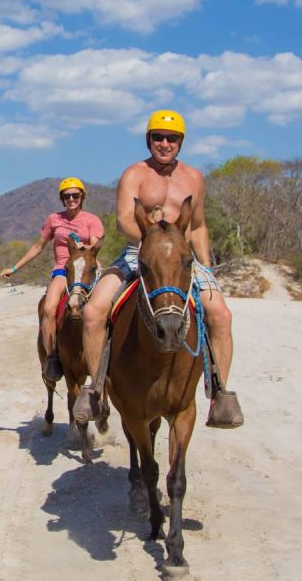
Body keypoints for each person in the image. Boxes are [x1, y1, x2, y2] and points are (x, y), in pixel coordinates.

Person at [71, 110, 244, 428]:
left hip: (182, 259)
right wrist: (153, 245)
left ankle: (221, 395)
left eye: (172, 138)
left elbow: (200, 225)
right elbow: (125, 219)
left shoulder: (193, 178)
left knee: (220, 314)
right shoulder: (134, 174)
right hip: (139, 254)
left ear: (181, 142)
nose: (165, 144)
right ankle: (95, 390)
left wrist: (206, 267)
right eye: (158, 137)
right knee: (94, 310)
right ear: (148, 139)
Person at [0, 178, 104, 380]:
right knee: (49, 308)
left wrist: (83, 251)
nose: (71, 199)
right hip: (63, 270)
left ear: (82, 197)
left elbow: (94, 246)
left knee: (110, 303)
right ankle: (52, 357)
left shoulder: (92, 220)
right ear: (61, 198)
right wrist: (14, 268)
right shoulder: (54, 219)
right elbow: (38, 246)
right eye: (67, 196)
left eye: (75, 195)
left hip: (87, 268)